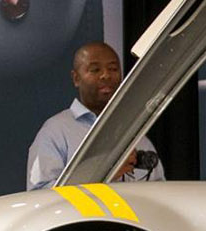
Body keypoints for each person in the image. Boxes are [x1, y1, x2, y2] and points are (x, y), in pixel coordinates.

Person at [26, 41, 166, 190]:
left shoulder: (135, 134)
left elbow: (159, 192)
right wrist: (105, 172)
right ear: (76, 78)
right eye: (95, 70)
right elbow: (40, 195)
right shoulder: (55, 132)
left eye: (112, 69)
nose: (105, 75)